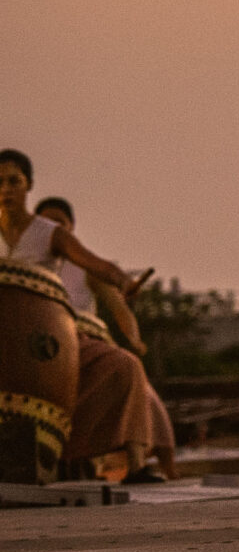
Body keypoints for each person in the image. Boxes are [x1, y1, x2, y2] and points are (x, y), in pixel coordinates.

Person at [0, 150, 164, 481]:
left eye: (14, 181)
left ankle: (135, 465)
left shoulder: (50, 233)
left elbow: (95, 263)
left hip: (45, 340)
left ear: (29, 184)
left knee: (124, 365)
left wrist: (124, 281)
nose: (6, 189)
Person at [35, 196, 178, 479]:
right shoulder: (28, 259)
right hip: (40, 344)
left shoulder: (83, 267)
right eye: (47, 224)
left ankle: (147, 466)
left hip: (83, 345)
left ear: (70, 228)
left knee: (135, 380)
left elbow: (119, 308)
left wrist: (134, 339)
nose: (54, 230)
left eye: (60, 224)